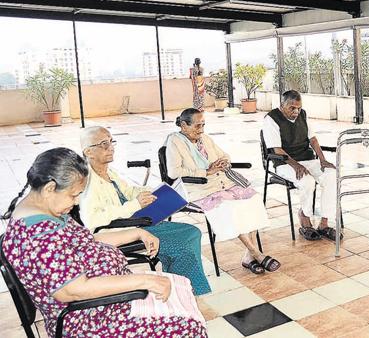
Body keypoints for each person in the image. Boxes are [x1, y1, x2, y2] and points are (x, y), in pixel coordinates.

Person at [1, 148, 207, 338]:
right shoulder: (39, 235)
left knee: (180, 289)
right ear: (49, 188)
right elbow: (72, 290)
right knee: (189, 326)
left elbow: (87, 240)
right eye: (73, 195)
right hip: (88, 318)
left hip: (101, 302)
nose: (75, 202)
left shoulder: (43, 211)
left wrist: (137, 232)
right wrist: (144, 281)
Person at [79, 126, 211, 296]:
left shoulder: (107, 171)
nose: (110, 147)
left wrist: (149, 192)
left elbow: (128, 191)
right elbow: (93, 220)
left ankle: (178, 282)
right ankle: (183, 290)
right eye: (104, 144)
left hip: (136, 221)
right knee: (182, 243)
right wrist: (135, 205)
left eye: (112, 142)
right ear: (88, 152)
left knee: (191, 231)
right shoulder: (88, 182)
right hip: (121, 231)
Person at [165, 108, 280, 274]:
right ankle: (256, 253)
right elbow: (173, 172)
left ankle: (249, 256)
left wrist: (222, 163)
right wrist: (206, 172)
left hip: (221, 183)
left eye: (203, 125)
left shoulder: (204, 138)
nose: (201, 130)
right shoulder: (174, 142)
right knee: (230, 208)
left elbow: (225, 155)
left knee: (253, 200)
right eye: (197, 126)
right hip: (198, 187)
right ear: (183, 125)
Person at [262, 90, 339, 241]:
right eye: (292, 108)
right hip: (284, 162)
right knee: (307, 181)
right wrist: (296, 165)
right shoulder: (271, 119)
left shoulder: (303, 114)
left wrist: (322, 160)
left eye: (298, 107)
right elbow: (277, 149)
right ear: (282, 105)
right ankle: (305, 218)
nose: (296, 111)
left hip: (307, 159)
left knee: (332, 176)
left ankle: (324, 223)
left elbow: (313, 139)